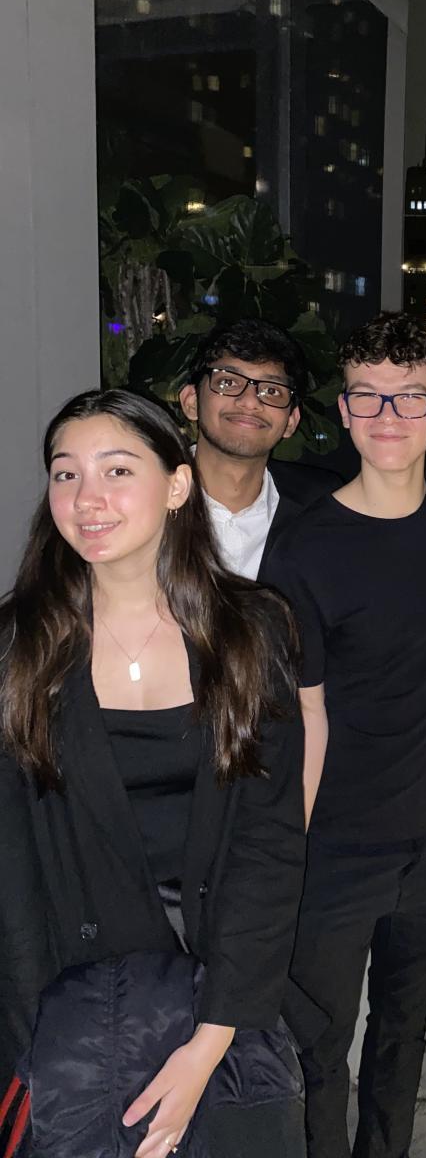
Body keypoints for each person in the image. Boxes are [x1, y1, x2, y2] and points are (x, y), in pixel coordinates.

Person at [0, 389, 307, 1157]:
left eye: (117, 470)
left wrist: (209, 1042)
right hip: (68, 1006)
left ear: (176, 486)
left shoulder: (250, 633)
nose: (87, 498)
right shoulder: (17, 647)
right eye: (65, 474)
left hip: (218, 992)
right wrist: (30, 1036)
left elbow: (269, 845)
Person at [262, 313, 426, 1158]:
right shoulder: (304, 550)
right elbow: (303, 715)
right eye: (367, 397)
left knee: (404, 1036)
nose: (388, 416)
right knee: (320, 1048)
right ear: (344, 410)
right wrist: (286, 852)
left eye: (409, 398)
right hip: (334, 849)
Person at [179, 319, 340, 579]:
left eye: (271, 390)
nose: (250, 402)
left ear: (291, 421)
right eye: (228, 382)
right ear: (191, 401)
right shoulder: (144, 497)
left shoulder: (322, 506)